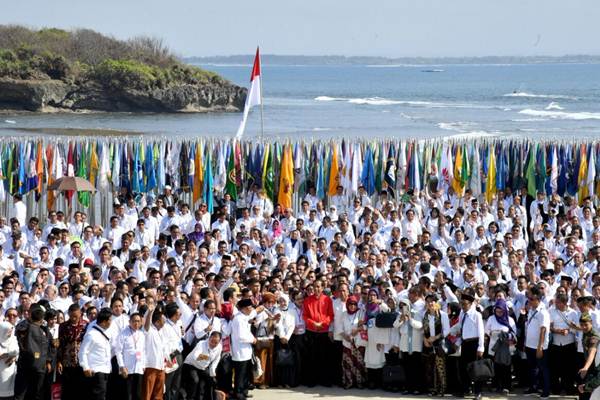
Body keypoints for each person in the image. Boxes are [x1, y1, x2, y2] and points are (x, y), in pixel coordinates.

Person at [14, 304, 54, 400]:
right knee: (21, 394)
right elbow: (19, 342)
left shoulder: (44, 328)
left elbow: (50, 344)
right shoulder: (22, 326)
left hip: (39, 367)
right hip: (25, 365)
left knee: (36, 393)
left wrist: (48, 361)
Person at [302, 280, 334, 387]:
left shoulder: (327, 300)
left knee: (324, 357)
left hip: (324, 332)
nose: (317, 289)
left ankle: (324, 380)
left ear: (322, 287)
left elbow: (330, 315)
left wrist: (322, 323)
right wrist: (313, 323)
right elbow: (305, 316)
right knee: (312, 357)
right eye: (315, 287)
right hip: (311, 331)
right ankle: (312, 380)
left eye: (319, 287)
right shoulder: (307, 300)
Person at [453, 291, 485, 400]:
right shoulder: (462, 314)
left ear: (471, 304)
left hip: (474, 343)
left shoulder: (476, 315)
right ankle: (465, 389)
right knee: (463, 368)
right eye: (461, 304)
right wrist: (454, 336)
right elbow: (460, 328)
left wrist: (481, 347)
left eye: (465, 304)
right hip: (465, 343)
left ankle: (478, 392)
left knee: (476, 369)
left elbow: (481, 332)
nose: (463, 306)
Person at [79, 307, 113, 400]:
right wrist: (85, 367)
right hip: (96, 371)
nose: (111, 322)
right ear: (104, 321)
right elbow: (82, 352)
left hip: (105, 370)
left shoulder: (104, 333)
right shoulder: (91, 334)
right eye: (110, 320)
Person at [485, 298, 516, 395]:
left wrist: (506, 335)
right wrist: (493, 333)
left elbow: (514, 333)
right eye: (497, 311)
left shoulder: (510, 320)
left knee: (506, 367)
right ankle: (495, 385)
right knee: (496, 367)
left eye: (501, 311)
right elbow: (486, 331)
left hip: (505, 347)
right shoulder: (491, 318)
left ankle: (506, 386)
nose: (498, 313)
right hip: (494, 346)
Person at [524, 286, 551, 399]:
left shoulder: (543, 312)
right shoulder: (531, 310)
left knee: (543, 369)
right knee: (532, 368)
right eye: (529, 299)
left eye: (531, 299)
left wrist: (540, 347)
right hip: (529, 344)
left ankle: (546, 390)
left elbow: (543, 330)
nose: (529, 301)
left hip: (539, 346)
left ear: (538, 299)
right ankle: (533, 387)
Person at [422, 293, 450, 396]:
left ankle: (442, 388)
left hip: (438, 343)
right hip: (428, 344)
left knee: (440, 367)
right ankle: (432, 388)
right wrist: (425, 339)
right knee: (430, 367)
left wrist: (436, 337)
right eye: (428, 301)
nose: (430, 303)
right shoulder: (425, 315)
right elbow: (423, 329)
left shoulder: (443, 315)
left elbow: (447, 330)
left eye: (432, 301)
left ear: (436, 302)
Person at [58, 303, 88, 400]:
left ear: (80, 314)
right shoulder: (63, 326)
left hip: (82, 362)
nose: (73, 318)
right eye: (71, 316)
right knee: (67, 390)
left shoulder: (86, 325)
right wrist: (59, 361)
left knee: (81, 390)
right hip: (67, 362)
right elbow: (61, 345)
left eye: (76, 316)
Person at [181, 331, 222, 400]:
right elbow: (195, 356)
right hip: (191, 364)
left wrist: (212, 370)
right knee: (195, 380)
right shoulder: (201, 344)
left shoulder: (219, 347)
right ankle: (189, 398)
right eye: (212, 341)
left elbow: (217, 359)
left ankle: (203, 398)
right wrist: (206, 357)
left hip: (203, 367)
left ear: (219, 342)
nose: (213, 344)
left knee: (210, 380)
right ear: (209, 338)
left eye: (216, 343)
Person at [114, 313, 146, 400]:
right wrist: (122, 366)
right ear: (129, 322)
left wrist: (143, 365)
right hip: (127, 368)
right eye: (134, 321)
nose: (136, 323)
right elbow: (118, 351)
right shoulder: (123, 334)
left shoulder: (142, 334)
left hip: (139, 368)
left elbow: (143, 351)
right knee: (127, 395)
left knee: (138, 394)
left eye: (138, 321)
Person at [230, 299, 257, 400]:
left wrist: (252, 338)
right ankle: (238, 393)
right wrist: (252, 340)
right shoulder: (238, 319)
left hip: (246, 351)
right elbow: (241, 336)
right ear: (244, 308)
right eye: (250, 307)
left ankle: (244, 391)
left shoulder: (244, 317)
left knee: (245, 373)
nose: (251, 309)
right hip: (240, 351)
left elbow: (247, 331)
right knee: (240, 374)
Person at [142, 304, 168, 400]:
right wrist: (150, 312)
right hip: (150, 366)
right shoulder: (149, 331)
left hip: (161, 367)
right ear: (157, 322)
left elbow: (163, 350)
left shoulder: (160, 332)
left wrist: (167, 362)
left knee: (158, 395)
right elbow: (146, 324)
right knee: (147, 394)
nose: (165, 321)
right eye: (163, 320)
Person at [341, 295, 366, 389]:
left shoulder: (361, 312)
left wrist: (357, 330)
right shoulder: (343, 314)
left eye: (354, 304)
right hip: (347, 342)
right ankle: (349, 382)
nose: (352, 306)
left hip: (358, 341)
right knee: (348, 363)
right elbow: (339, 328)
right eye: (350, 304)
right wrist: (345, 336)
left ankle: (360, 382)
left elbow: (364, 325)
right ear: (347, 304)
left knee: (359, 363)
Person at [0, 321, 18, 399]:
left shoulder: (13, 339)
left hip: (11, 371)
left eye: (11, 331)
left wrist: (14, 357)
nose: (9, 333)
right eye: (8, 331)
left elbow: (18, 351)